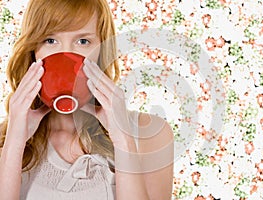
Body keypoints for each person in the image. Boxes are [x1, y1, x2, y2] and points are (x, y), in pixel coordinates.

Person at [0, 0, 174, 199]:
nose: (66, 55)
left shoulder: (151, 134)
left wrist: (122, 139)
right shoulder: (5, 140)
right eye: (50, 40)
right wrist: (14, 143)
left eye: (83, 41)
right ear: (33, 51)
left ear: (101, 51)